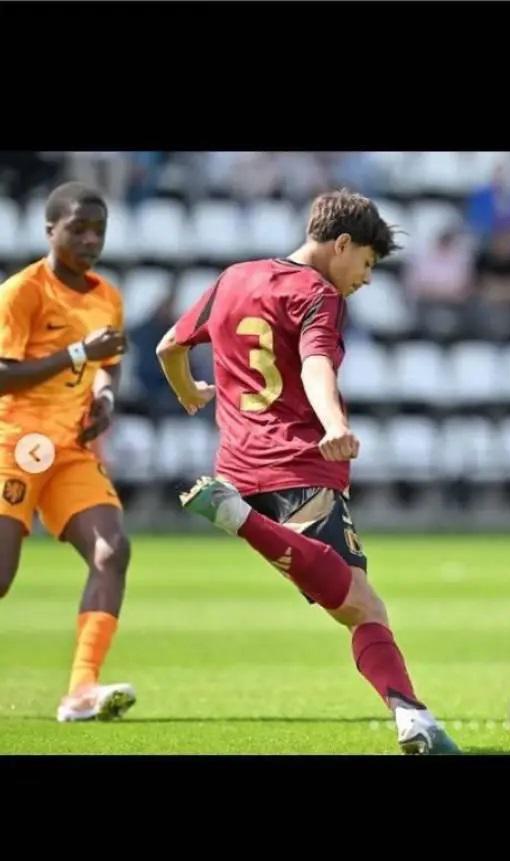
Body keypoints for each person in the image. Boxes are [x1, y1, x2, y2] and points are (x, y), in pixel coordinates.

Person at [155, 188, 459, 754]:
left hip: (236, 463)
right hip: (297, 461)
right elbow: (316, 362)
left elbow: (169, 347)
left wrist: (191, 394)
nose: (364, 279)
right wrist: (333, 424)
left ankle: (236, 513)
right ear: (341, 244)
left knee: (353, 601)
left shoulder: (232, 279)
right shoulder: (317, 294)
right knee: (365, 608)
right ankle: (412, 718)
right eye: (365, 263)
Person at [0, 182, 135, 722]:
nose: (89, 239)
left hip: (71, 449)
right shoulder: (22, 291)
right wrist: (78, 352)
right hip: (13, 442)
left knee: (112, 552)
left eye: (98, 230)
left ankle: (81, 690)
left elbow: (111, 362)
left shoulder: (107, 296)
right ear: (49, 230)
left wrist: (104, 396)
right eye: (77, 228)